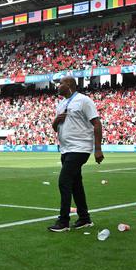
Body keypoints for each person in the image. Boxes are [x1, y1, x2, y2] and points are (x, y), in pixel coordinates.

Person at [48, 76, 104, 232]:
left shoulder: (84, 101)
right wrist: (55, 121)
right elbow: (56, 128)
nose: (58, 86)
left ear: (69, 85)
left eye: (61, 83)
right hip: (66, 149)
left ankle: (63, 221)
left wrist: (97, 149)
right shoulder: (61, 104)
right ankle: (85, 219)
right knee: (75, 184)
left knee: (64, 181)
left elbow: (96, 123)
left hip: (80, 148)